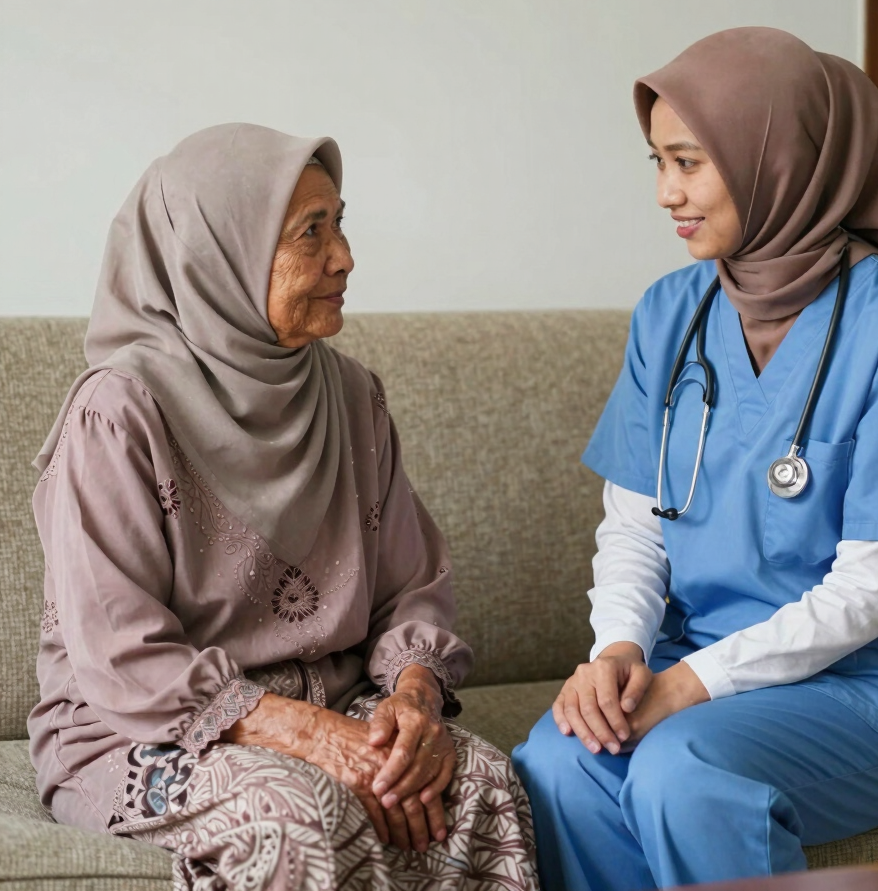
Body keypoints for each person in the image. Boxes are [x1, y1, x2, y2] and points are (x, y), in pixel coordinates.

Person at [512, 27, 878, 889]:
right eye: (655, 162)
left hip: (868, 685)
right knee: (559, 762)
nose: (665, 192)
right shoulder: (670, 314)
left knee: (685, 774)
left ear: (777, 160)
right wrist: (618, 647)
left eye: (689, 162)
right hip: (693, 654)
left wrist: (689, 684)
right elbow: (635, 527)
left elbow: (868, 597)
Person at [30, 124, 537, 891]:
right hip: (141, 733)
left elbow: (411, 586)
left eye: (340, 221)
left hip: (334, 702)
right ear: (220, 257)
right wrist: (310, 735)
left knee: (478, 784)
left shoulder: (352, 396)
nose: (344, 257)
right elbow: (120, 652)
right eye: (311, 232)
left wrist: (411, 700)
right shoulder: (121, 411)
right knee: (294, 811)